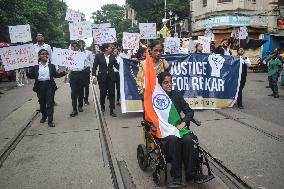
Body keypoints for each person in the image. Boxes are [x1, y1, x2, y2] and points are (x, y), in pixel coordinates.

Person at [157, 72, 212, 187]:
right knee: (174, 140)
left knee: (188, 140)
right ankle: (177, 177)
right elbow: (148, 116)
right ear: (160, 84)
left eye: (171, 82)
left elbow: (189, 111)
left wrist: (184, 122)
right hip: (165, 130)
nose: (169, 84)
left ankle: (191, 174)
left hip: (178, 127)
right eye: (165, 82)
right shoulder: (156, 98)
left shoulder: (176, 94)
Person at [26, 49, 67, 127]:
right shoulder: (36, 66)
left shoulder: (51, 65)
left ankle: (50, 121)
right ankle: (44, 116)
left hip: (49, 86)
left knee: (50, 103)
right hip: (40, 86)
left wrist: (63, 73)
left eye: (46, 54)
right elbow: (31, 76)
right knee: (42, 103)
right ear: (39, 56)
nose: (45, 55)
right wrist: (26, 71)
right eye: (43, 54)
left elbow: (55, 75)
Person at [92, 43, 119, 117]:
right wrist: (94, 77)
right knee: (103, 94)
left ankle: (112, 110)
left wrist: (125, 66)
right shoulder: (98, 56)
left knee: (112, 94)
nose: (112, 48)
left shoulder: (113, 57)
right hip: (102, 78)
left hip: (111, 78)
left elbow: (117, 66)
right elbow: (94, 67)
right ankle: (102, 105)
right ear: (106, 48)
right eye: (110, 47)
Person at [69, 42, 86, 117]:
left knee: (81, 91)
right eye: (73, 46)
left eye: (76, 46)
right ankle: (74, 109)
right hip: (72, 75)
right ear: (71, 47)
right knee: (73, 93)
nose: (75, 48)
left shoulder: (82, 55)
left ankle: (80, 105)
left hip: (81, 74)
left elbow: (86, 64)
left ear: (78, 47)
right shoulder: (68, 55)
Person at [79, 40, 93, 105]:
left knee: (86, 86)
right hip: (79, 71)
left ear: (84, 45)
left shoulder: (89, 52)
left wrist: (91, 71)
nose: (81, 45)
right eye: (80, 44)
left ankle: (86, 99)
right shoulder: (76, 53)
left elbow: (91, 62)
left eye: (82, 44)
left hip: (86, 70)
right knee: (80, 86)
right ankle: (80, 99)